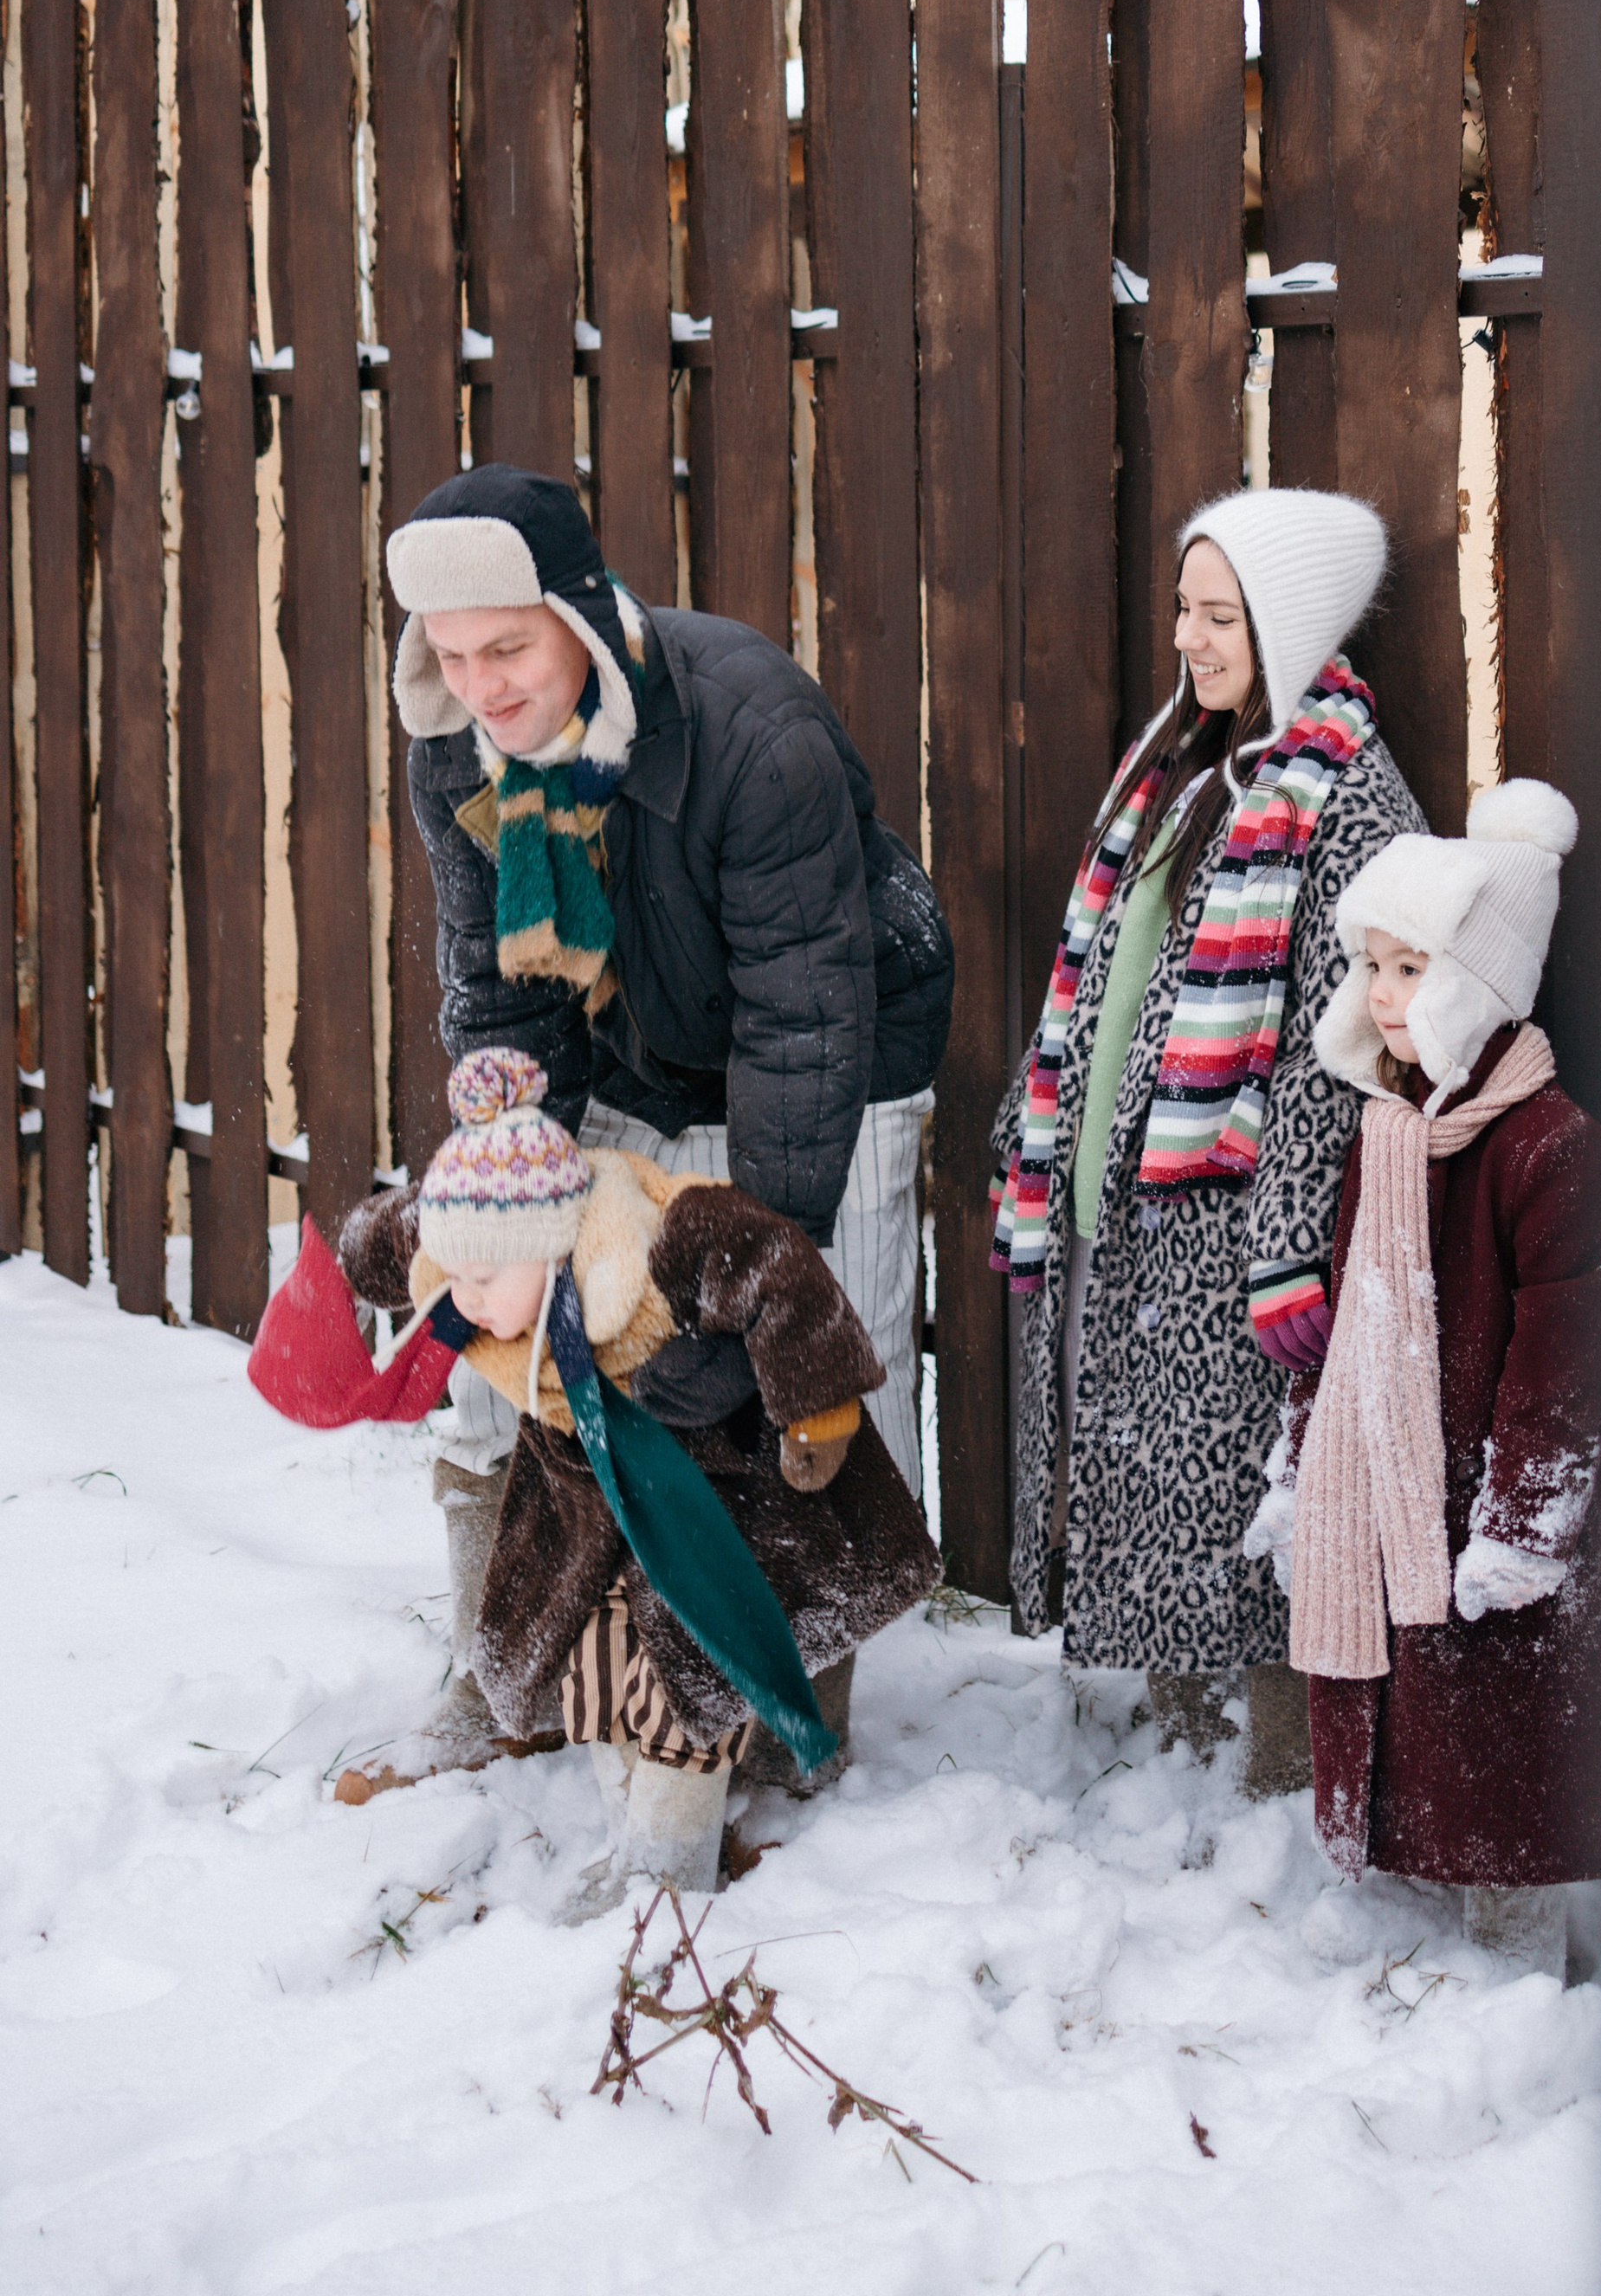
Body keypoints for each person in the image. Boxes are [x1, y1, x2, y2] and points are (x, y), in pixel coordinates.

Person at [383, 461, 952, 1769]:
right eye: (453, 655)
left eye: (510, 647)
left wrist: (754, 1280)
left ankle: (796, 1705)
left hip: (837, 1053)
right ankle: (501, 1664)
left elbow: (802, 1023)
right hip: (634, 1056)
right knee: (503, 1328)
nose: (485, 685)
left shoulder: (754, 730)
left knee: (815, 1359)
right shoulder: (458, 751)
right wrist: (509, 1198)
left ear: (579, 617)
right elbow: (499, 990)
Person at [991, 487, 1423, 1795]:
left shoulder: (1346, 798)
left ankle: (1274, 1766)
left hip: (1229, 1216)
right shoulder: (1180, 763)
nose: (1189, 635)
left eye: (1220, 614)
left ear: (1286, 622)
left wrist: (1289, 1240)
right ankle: (1183, 1743)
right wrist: (1040, 1113)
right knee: (1149, 1472)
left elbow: (1328, 1051)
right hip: (1128, 1198)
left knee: (1236, 1500)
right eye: (1184, 606)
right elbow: (1105, 955)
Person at [336, 1049, 938, 1904]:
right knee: (596, 1670)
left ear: (549, 1253)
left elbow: (778, 1266)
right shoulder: (474, 1251)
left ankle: (666, 1872)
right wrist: (345, 1271)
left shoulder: (660, 1245)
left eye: (483, 1280)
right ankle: (629, 1841)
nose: (462, 1299)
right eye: (455, 1275)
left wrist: (816, 1406)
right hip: (589, 1513)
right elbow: (397, 1240)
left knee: (685, 1684)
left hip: (710, 1505)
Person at [1246, 778, 1601, 1978]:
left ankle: (1518, 1973)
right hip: (1398, 1500)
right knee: (1429, 1744)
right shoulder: (1395, 1130)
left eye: (1413, 970)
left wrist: (1520, 1526)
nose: (1383, 997)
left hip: (1492, 1527)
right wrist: (1301, 1466)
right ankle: (1427, 1941)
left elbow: (1563, 1361)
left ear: (1480, 981)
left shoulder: (1553, 1151)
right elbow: (1359, 1311)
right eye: (1373, 968)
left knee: (1505, 1764)